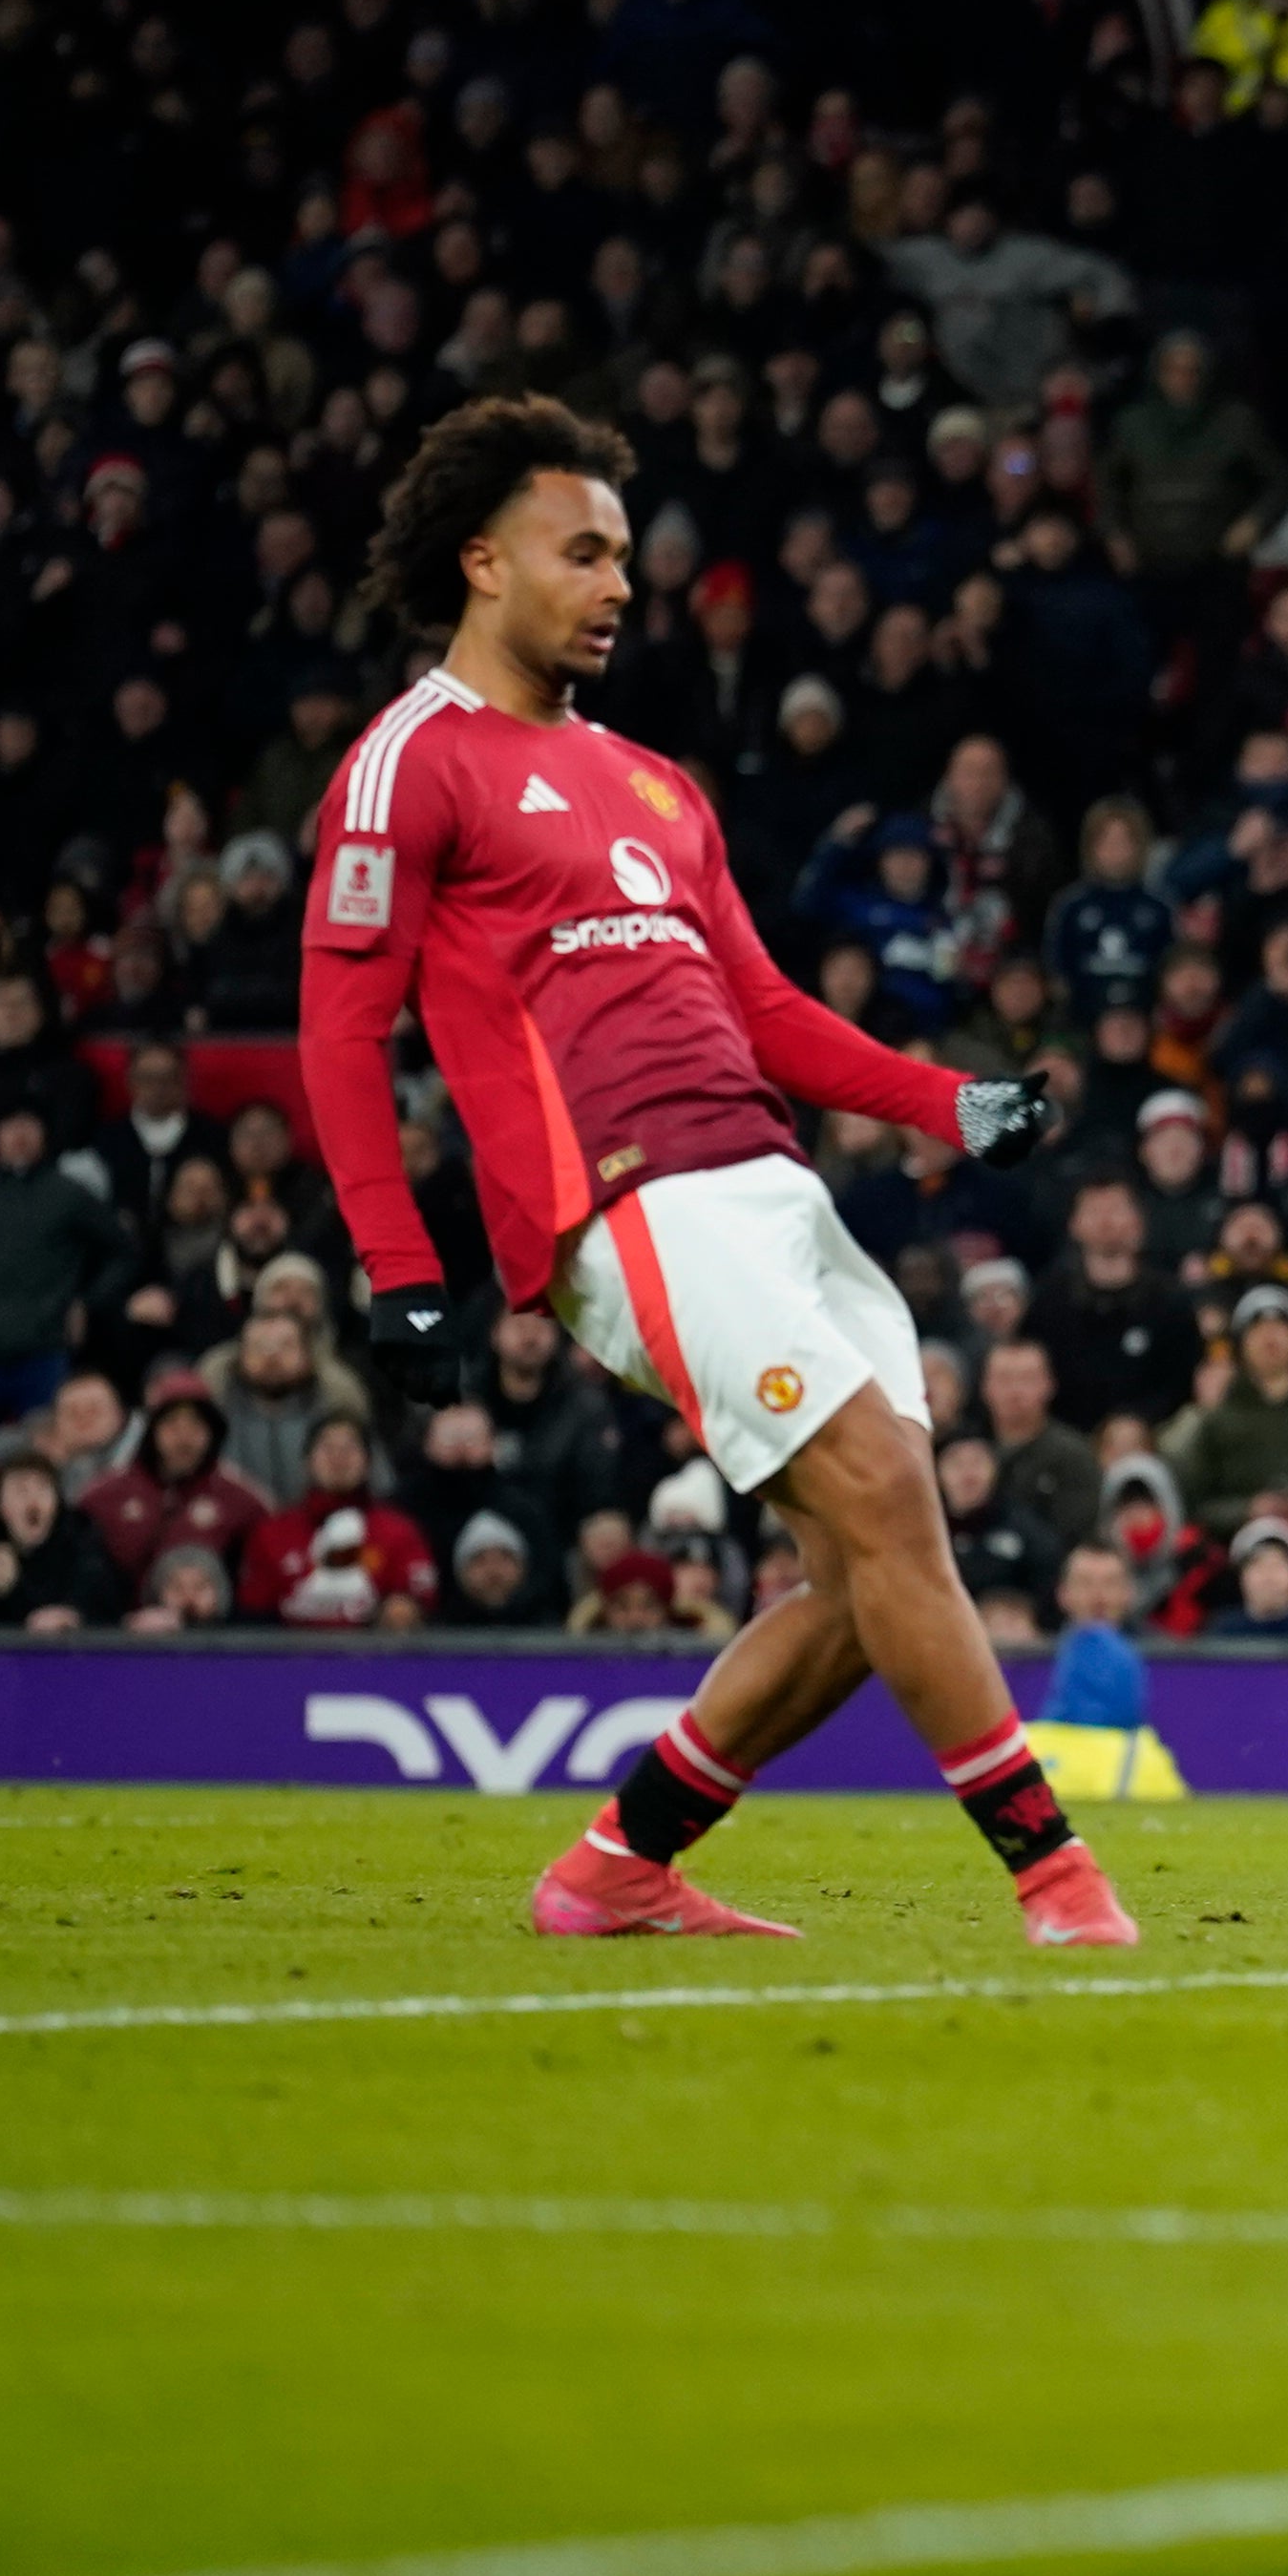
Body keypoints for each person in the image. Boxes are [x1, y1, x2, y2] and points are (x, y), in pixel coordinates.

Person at [295, 394, 1125, 1948]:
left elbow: (765, 1008)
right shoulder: (409, 763)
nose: (620, 584)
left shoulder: (657, 783)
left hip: (771, 1186)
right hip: (627, 1196)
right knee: (887, 1498)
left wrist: (947, 1103)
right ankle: (1057, 1881)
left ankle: (617, 1865)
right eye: (583, 552)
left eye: (623, 555)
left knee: (869, 1579)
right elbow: (340, 1034)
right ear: (482, 561)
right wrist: (398, 1266)